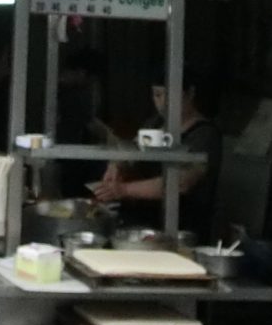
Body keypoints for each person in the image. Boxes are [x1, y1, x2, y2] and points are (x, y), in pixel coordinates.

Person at [94, 69, 222, 239]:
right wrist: (116, 165)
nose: (163, 103)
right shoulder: (155, 124)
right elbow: (131, 149)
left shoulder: (204, 134)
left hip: (183, 229)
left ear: (190, 93)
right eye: (157, 95)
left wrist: (123, 189)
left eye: (170, 95)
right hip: (142, 224)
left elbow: (181, 183)